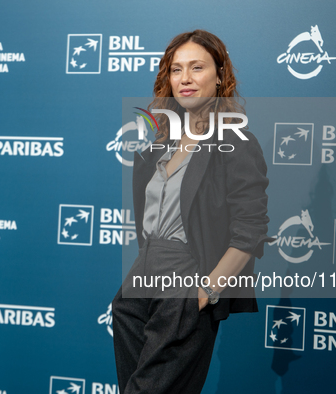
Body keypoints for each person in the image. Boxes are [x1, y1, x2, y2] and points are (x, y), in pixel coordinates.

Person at [112, 30, 271, 394]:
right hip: (141, 278)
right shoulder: (158, 139)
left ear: (219, 75)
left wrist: (207, 290)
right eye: (176, 69)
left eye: (196, 68)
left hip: (187, 277)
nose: (184, 79)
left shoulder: (235, 140)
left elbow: (251, 230)